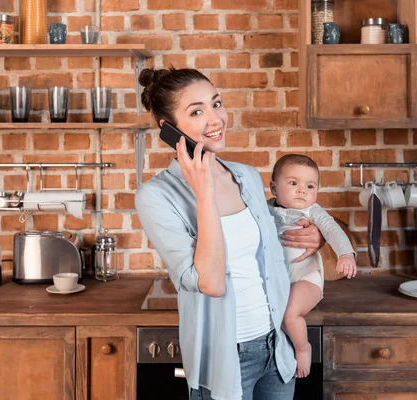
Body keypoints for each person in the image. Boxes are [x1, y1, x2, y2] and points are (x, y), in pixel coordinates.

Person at [134, 67, 326, 400]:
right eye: (196, 111)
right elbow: (212, 283)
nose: (215, 119)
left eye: (216, 104)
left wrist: (316, 238)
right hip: (225, 360)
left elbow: (275, 252)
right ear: (169, 131)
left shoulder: (247, 177)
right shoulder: (156, 196)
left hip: (276, 348)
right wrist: (204, 190)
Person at [268, 154, 357, 378]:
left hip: (305, 279)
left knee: (289, 314)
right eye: (293, 183)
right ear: (273, 187)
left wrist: (346, 254)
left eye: (310, 186)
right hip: (277, 280)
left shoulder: (313, 212)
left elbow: (334, 230)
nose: (302, 191)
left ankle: (302, 348)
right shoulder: (264, 209)